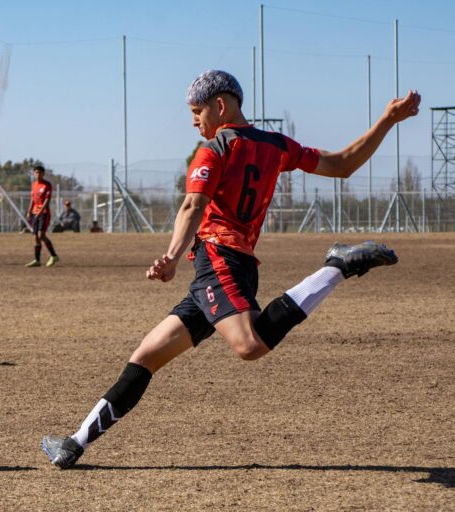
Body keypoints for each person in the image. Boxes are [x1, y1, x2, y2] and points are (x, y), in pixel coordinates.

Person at [41, 70, 421, 469]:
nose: (193, 121)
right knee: (147, 354)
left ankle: (336, 267)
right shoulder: (277, 145)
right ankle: (74, 443)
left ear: (220, 106)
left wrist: (171, 257)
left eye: (196, 110)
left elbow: (193, 206)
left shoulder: (215, 149)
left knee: (250, 345)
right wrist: (387, 121)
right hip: (232, 268)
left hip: (218, 261)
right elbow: (342, 164)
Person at [25, 165, 59, 267]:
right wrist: (29, 211)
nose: (37, 174)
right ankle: (37, 260)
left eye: (40, 172)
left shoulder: (47, 185)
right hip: (35, 213)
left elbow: (47, 200)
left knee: (41, 235)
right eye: (36, 172)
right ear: (33, 174)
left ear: (43, 174)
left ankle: (54, 256)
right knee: (36, 237)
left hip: (44, 213)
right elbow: (33, 199)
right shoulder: (34, 185)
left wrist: (41, 211)